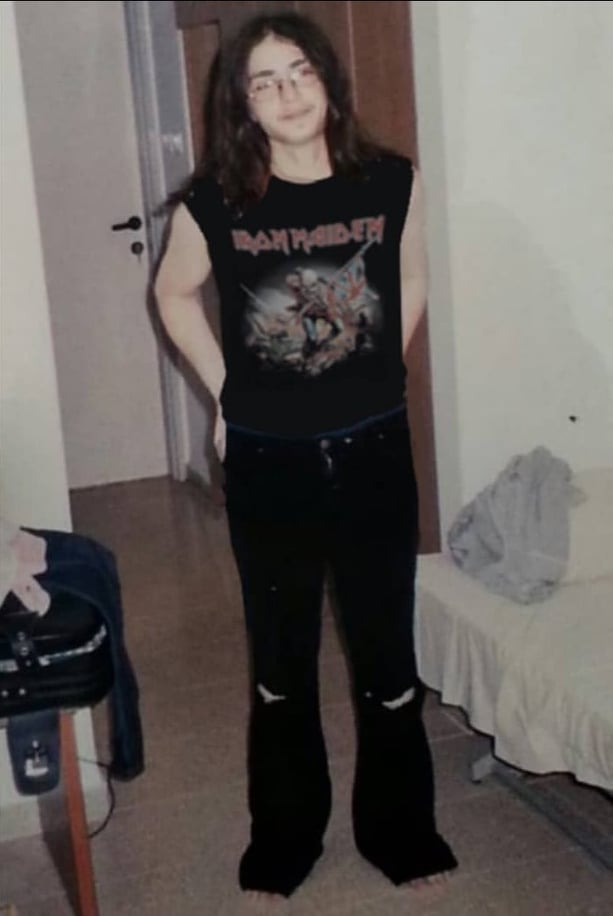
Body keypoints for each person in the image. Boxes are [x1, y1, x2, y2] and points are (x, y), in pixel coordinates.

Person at [154, 11, 458, 900]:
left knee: (385, 661)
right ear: (242, 104)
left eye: (300, 72)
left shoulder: (391, 181)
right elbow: (173, 295)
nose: (286, 93)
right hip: (268, 463)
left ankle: (400, 832)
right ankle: (285, 840)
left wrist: (382, 363)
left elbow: (410, 274)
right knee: (280, 668)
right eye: (264, 81)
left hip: (373, 453)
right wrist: (225, 393)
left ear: (328, 82)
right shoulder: (214, 202)